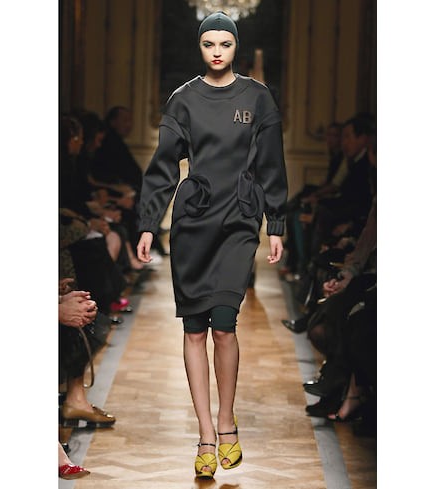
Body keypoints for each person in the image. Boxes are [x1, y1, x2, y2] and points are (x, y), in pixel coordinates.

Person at [135, 11, 287, 479]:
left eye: (225, 43)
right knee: (195, 330)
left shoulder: (257, 98)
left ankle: (226, 420)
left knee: (224, 324)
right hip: (194, 222)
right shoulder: (183, 100)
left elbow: (271, 164)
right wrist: (148, 224)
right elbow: (164, 167)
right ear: (199, 47)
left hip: (239, 220)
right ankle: (205, 433)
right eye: (208, 44)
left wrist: (276, 222)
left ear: (235, 46)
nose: (217, 52)